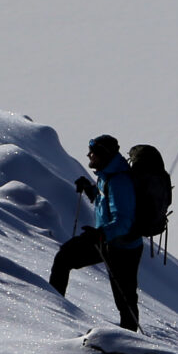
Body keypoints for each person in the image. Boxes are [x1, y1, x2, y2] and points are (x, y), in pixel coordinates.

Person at [49, 134, 143, 331]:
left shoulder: (119, 181)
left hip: (123, 247)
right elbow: (106, 203)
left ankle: (130, 340)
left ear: (103, 154)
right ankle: (54, 312)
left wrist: (100, 234)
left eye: (92, 152)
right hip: (107, 239)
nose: (88, 155)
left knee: (125, 300)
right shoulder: (107, 175)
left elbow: (124, 221)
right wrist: (90, 190)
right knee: (64, 258)